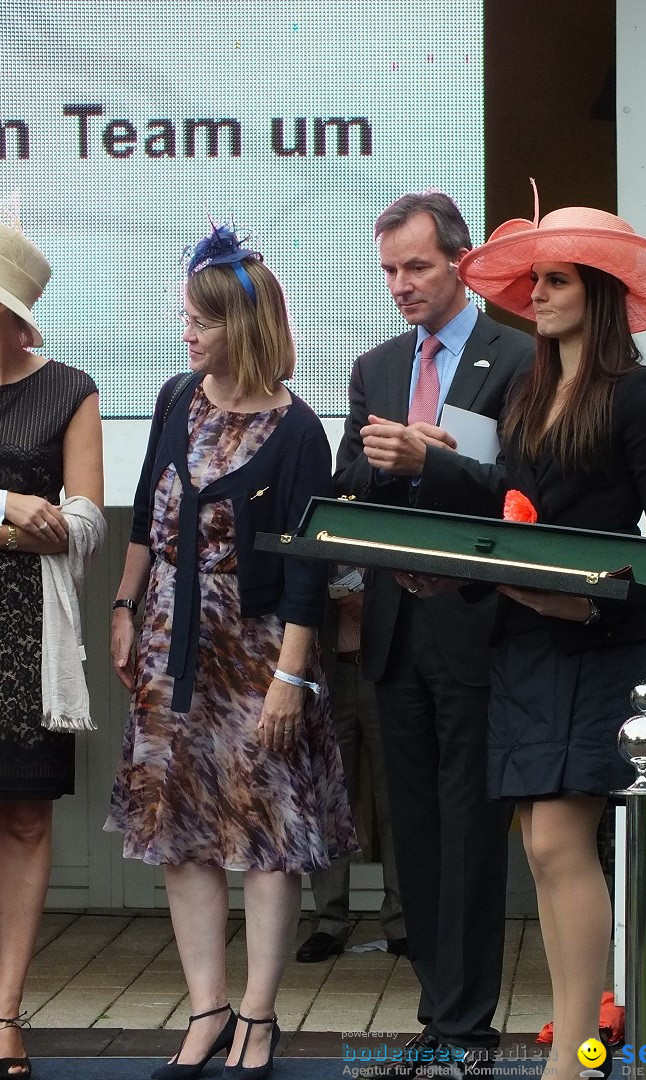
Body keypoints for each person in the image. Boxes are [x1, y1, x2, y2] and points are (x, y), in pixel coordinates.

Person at [415, 199, 646, 1080]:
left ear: (599, 294)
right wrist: (449, 571)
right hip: (522, 641)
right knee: (542, 849)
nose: (534, 293)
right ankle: (576, 1051)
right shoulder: (529, 390)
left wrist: (594, 606)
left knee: (555, 846)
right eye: (533, 279)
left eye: (555, 279)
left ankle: (573, 1060)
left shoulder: (638, 393)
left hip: (596, 644)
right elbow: (511, 515)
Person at [104, 224, 357, 1080]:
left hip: (256, 657)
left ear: (241, 329)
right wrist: (124, 605)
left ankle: (257, 1015)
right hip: (171, 651)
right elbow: (145, 515)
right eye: (184, 319)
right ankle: (206, 1009)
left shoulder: (298, 433)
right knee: (181, 832)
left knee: (265, 832)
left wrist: (290, 677)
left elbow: (307, 569)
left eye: (198, 323)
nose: (186, 335)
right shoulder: (178, 397)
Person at [334, 191, 534, 1078]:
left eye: (416, 267)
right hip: (393, 627)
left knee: (468, 830)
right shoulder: (376, 367)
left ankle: (469, 1027)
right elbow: (346, 491)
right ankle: (434, 1017)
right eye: (388, 271)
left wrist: (436, 462)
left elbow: (526, 489)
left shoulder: (519, 356)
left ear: (459, 261)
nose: (400, 285)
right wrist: (383, 470)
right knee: (412, 834)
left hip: (475, 626)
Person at [0, 217, 103, 1080]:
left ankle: (4, 1013)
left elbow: (88, 522)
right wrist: (8, 509)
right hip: (18, 574)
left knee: (27, 819)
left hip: (32, 634)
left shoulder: (69, 386)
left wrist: (49, 524)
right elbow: (32, 519)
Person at [297, 572, 406, 963]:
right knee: (329, 799)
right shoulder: (316, 512)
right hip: (329, 670)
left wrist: (375, 602)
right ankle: (328, 923)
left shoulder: (385, 510)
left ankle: (404, 923)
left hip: (388, 671)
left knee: (398, 797)